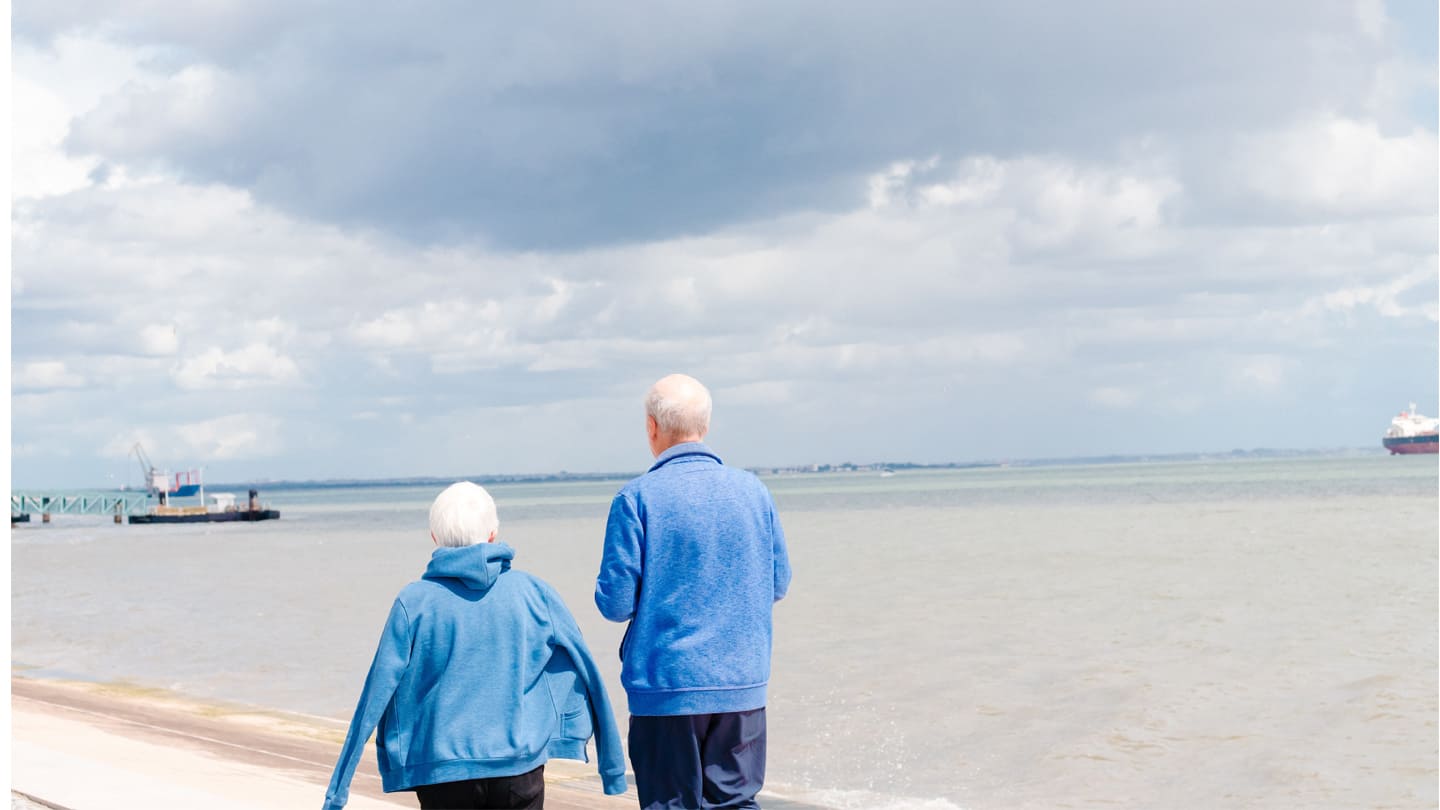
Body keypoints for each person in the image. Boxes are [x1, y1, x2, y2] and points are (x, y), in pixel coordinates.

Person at [323, 481, 627, 810]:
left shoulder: (414, 602)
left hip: (442, 774)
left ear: (434, 538)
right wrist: (612, 768)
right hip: (518, 769)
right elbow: (588, 671)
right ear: (493, 534)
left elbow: (376, 692)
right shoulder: (535, 594)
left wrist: (338, 791)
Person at [595, 374, 792, 810]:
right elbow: (779, 584)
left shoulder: (636, 498)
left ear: (652, 427)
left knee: (669, 805)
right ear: (705, 426)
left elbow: (615, 603)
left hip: (666, 688)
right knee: (737, 804)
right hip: (741, 683)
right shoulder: (754, 492)